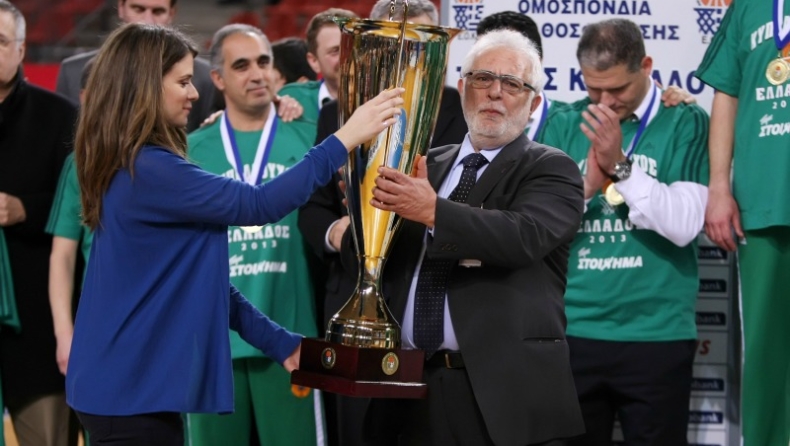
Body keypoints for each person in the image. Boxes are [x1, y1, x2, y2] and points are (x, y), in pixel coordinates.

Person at [64, 22, 404, 444]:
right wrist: (346, 137)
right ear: (146, 86)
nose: (194, 93)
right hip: (127, 391)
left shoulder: (137, 164)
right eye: (183, 81)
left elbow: (204, 283)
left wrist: (281, 344)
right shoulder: (149, 169)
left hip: (125, 385)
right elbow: (258, 205)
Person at [348, 29, 585, 446]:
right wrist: (356, 216)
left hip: (498, 394)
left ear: (533, 104)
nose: (495, 92)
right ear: (461, 88)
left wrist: (432, 211)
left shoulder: (551, 168)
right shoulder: (422, 164)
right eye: (483, 78)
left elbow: (522, 237)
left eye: (512, 84)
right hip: (403, 383)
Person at [297, 2, 468, 444]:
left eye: (423, 44)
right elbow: (314, 206)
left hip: (428, 299)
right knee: (358, 431)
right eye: (398, 42)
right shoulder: (342, 109)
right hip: (353, 290)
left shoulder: (465, 110)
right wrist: (339, 233)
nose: (411, 55)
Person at [540, 18, 709, 445]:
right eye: (593, 89)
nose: (605, 102)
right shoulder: (563, 124)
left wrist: (620, 166)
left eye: (617, 89)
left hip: (657, 335)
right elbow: (539, 230)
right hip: (572, 330)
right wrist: (586, 187)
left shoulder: (684, 120)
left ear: (646, 66)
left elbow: (685, 225)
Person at [185, 24, 325, 446]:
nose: (257, 74)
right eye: (241, 65)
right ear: (218, 78)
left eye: (264, 62)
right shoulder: (192, 149)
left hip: (292, 338)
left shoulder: (308, 135)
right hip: (210, 344)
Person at [695, 2, 790, 445]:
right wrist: (718, 186)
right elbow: (727, 95)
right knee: (766, 351)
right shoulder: (748, 7)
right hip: (764, 199)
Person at [0, 2, 79, 445]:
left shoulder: (61, 116)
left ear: (21, 48)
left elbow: (87, 210)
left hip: (39, 333)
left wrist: (25, 210)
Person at [47, 57, 95, 378]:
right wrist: (64, 334)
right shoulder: (80, 165)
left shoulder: (173, 156)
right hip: (100, 323)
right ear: (85, 98)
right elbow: (62, 255)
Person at [277, 8, 358, 123]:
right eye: (335, 51)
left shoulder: (383, 98)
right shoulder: (293, 100)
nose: (348, 58)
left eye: (354, 47)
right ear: (314, 61)